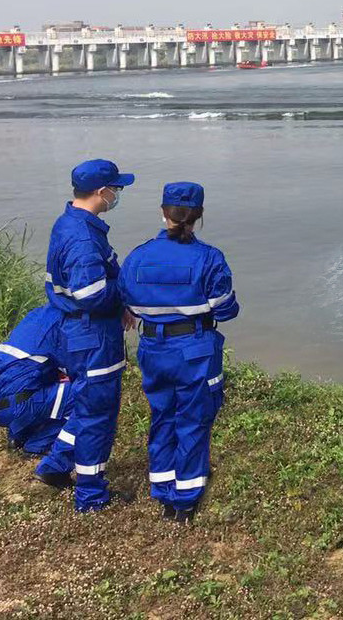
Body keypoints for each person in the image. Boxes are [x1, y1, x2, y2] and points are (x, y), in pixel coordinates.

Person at [119, 182, 239, 522]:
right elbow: (226, 308)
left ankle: (163, 489)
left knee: (162, 415)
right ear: (198, 216)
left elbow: (126, 300)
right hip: (195, 350)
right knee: (193, 419)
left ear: (163, 212)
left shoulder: (138, 256)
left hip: (153, 349)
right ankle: (185, 499)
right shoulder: (209, 258)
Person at [35, 159, 135, 511]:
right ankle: (91, 494)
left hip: (74, 331)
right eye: (116, 189)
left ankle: (56, 463)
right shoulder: (82, 238)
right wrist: (123, 298)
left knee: (87, 402)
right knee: (99, 413)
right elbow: (92, 294)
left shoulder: (71, 224)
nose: (117, 194)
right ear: (100, 192)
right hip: (93, 336)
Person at [0, 306, 74, 458]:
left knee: (30, 381)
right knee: (82, 393)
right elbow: (76, 369)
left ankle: (17, 436)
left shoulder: (36, 315)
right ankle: (36, 445)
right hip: (16, 406)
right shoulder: (61, 327)